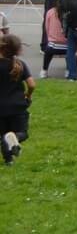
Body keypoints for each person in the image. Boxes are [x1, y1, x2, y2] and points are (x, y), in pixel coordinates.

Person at [0, 35, 35, 165]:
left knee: (3, 135)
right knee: (22, 133)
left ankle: (8, 160)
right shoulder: (20, 65)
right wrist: (28, 95)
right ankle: (15, 138)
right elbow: (31, 84)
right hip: (17, 106)